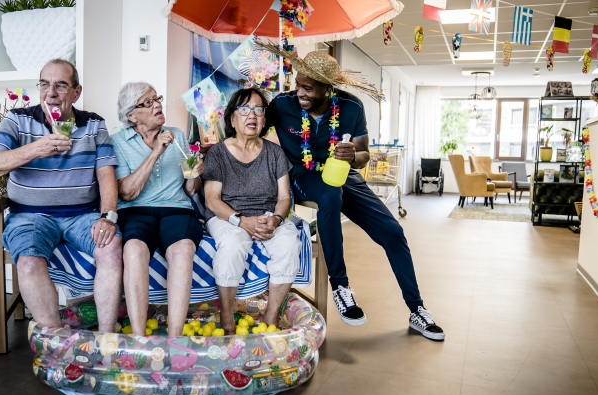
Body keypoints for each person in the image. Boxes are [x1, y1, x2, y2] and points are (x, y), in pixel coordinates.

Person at [264, 48, 445, 341]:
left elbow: (364, 156)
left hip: (344, 174)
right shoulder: (281, 105)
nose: (299, 92)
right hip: (303, 175)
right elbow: (253, 133)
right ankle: (341, 288)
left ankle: (417, 310)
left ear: (327, 87)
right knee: (329, 194)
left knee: (394, 233)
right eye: (298, 84)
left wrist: (352, 156)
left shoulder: (351, 107)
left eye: (308, 88)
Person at [0, 59, 122, 333]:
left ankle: (106, 338)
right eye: (44, 84)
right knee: (29, 262)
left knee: (112, 246)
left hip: (83, 216)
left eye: (60, 85)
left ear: (76, 92)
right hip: (30, 216)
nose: (51, 92)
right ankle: (58, 343)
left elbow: (106, 175)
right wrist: (35, 149)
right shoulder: (17, 119)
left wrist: (108, 217)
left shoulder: (93, 124)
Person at [202, 87, 300, 335]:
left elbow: (284, 197)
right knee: (234, 242)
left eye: (258, 109)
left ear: (265, 118)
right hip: (227, 216)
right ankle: (227, 315)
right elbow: (212, 200)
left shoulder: (275, 153)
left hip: (267, 216)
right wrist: (240, 221)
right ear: (233, 118)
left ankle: (271, 315)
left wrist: (276, 220)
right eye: (245, 109)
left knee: (289, 242)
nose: (252, 115)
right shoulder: (218, 153)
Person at [110, 82, 204, 337]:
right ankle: (139, 339)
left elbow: (191, 190)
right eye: (147, 102)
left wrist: (193, 175)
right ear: (131, 115)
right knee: (133, 250)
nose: (158, 105)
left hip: (177, 210)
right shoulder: (117, 142)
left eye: (157, 99)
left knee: (183, 249)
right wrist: (155, 152)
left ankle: (174, 339)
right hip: (136, 210)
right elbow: (127, 192)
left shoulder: (179, 136)